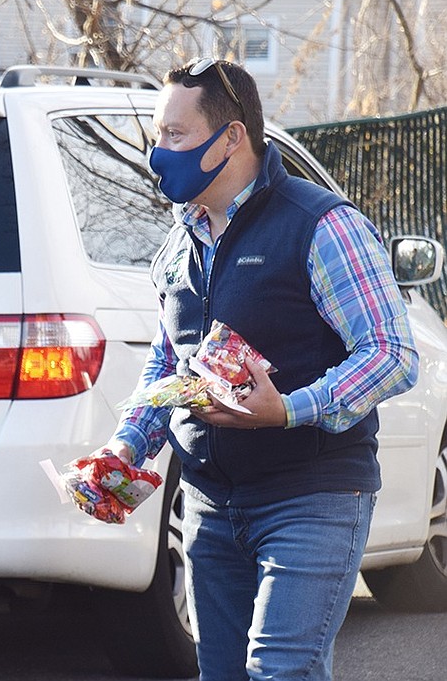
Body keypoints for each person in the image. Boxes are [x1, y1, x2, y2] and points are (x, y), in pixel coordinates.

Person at [90, 58, 418, 680]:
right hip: (210, 505)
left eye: (175, 135)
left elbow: (392, 354)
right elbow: (170, 361)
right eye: (157, 136)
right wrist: (126, 448)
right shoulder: (179, 243)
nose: (160, 153)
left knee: (280, 669)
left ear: (232, 137)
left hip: (313, 496)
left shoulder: (321, 226)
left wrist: (289, 409)